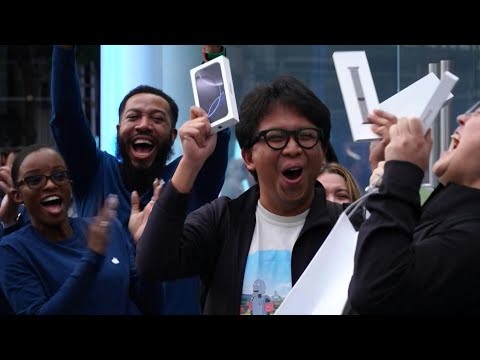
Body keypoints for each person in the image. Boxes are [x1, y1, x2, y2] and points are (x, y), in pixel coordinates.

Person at [132, 75, 364, 315]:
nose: (293, 149)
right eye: (276, 138)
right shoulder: (222, 220)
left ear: (322, 150)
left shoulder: (348, 226)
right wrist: (190, 163)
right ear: (249, 158)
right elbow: (152, 263)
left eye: (306, 136)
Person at [49, 45, 230, 314]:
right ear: (119, 129)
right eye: (133, 117)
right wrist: (64, 51)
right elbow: (66, 116)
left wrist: (214, 58)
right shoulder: (94, 172)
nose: (144, 124)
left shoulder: (191, 176)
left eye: (157, 119)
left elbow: (217, 125)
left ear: (172, 136)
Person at [0, 144, 164, 315]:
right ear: (17, 195)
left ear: (69, 186)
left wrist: (149, 249)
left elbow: (151, 306)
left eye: (59, 176)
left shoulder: (109, 229)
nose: (50, 185)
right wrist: (92, 258)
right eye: (34, 180)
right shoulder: (11, 249)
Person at [349, 104, 480, 314]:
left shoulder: (471, 238)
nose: (462, 117)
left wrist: (401, 173)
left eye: (478, 115)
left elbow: (376, 290)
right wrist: (391, 175)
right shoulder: (450, 215)